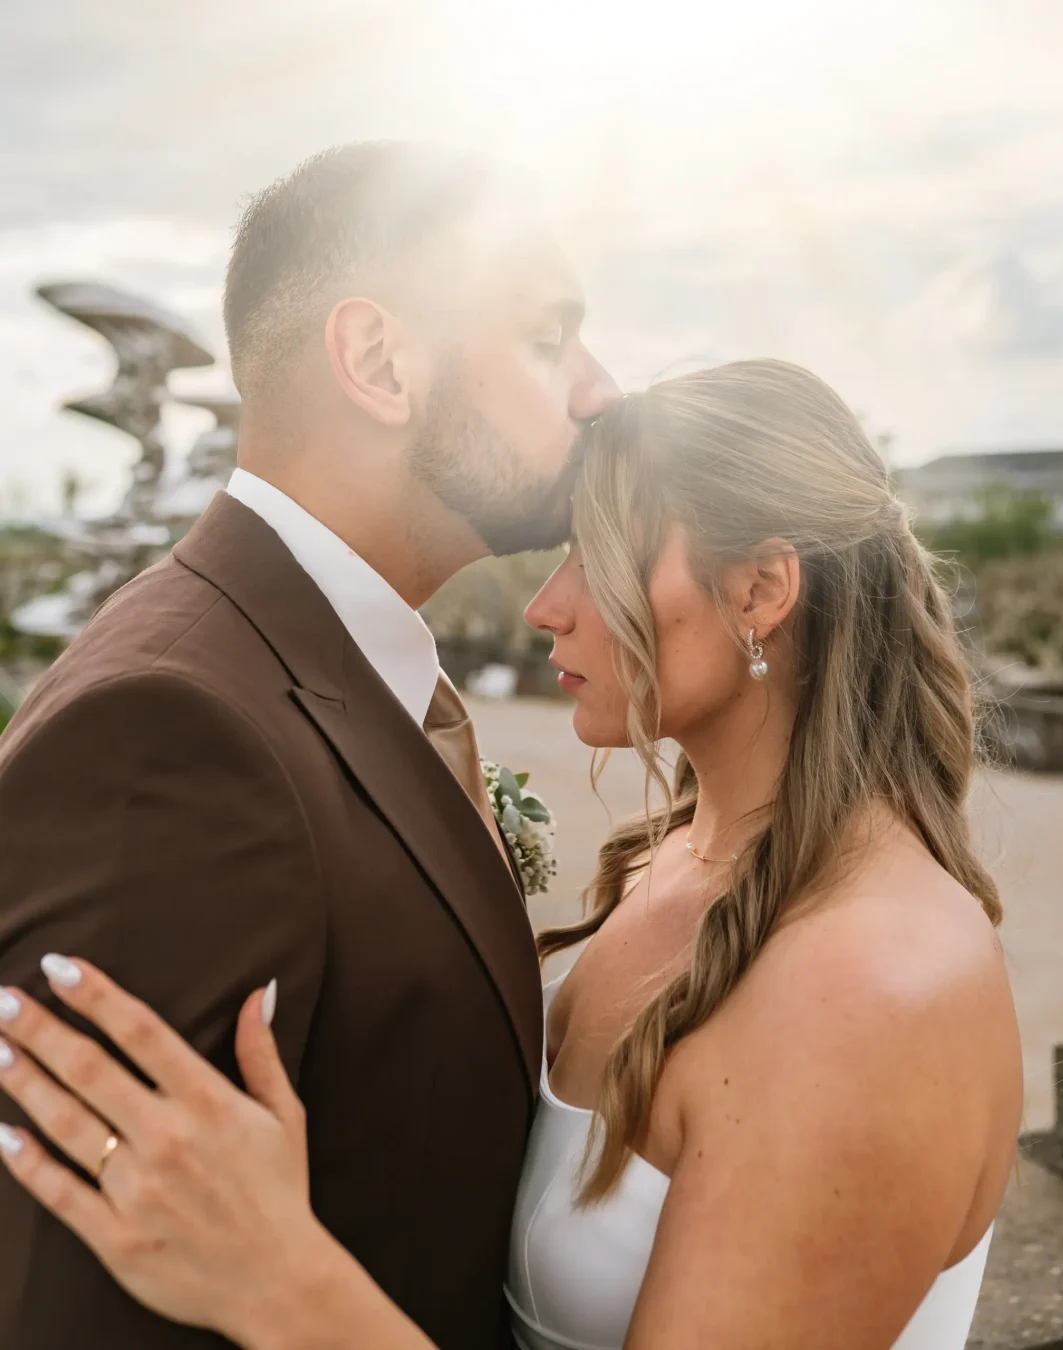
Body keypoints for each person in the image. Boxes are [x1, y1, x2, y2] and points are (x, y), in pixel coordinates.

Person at [0, 360, 1022, 1349]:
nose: (549, 605)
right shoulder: (676, 865)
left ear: (760, 590)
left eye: (603, 555)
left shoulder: (873, 992)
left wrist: (277, 1281)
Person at [0, 141, 619, 1349]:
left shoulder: (320, 663)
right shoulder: (173, 736)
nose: (597, 388)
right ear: (379, 361)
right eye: (548, 340)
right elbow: (73, 1306)